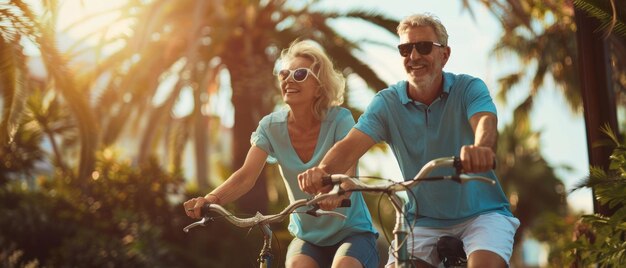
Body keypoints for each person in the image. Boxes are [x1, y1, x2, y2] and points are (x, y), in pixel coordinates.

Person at [297, 13, 520, 268]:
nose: (413, 56)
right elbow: (349, 146)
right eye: (405, 49)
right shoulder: (387, 103)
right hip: (421, 220)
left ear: (444, 55)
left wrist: (481, 149)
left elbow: (485, 122)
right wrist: (323, 172)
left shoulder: (468, 88)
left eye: (424, 47)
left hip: (483, 215)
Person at [184, 40, 379, 268]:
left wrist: (337, 193)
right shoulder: (270, 127)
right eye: (284, 73)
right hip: (308, 239)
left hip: (352, 233)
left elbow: (348, 169)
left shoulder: (339, 119)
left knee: (345, 266)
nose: (288, 79)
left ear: (319, 87)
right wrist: (210, 199)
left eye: (299, 74)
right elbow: (246, 175)